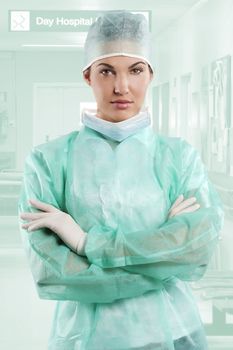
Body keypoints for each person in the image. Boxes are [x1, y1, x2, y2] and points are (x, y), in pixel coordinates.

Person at [18, 10, 224, 350]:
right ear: (88, 76)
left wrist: (86, 244)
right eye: (106, 70)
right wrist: (161, 253)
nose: (121, 86)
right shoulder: (49, 161)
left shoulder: (179, 158)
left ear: (151, 74)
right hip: (86, 337)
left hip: (172, 331)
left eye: (135, 70)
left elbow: (196, 249)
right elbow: (50, 271)